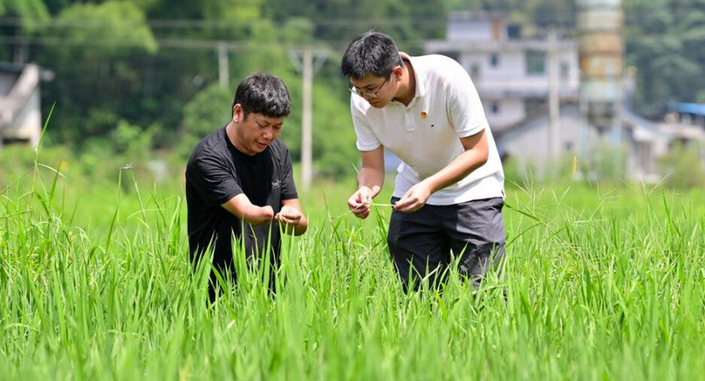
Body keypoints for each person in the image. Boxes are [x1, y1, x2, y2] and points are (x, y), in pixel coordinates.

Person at [340, 31, 506, 292]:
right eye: (357, 89)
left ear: (396, 73)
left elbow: (478, 152)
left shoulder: (447, 77)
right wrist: (365, 190)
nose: (365, 97)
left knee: (483, 294)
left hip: (474, 192)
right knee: (417, 296)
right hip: (414, 195)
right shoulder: (361, 102)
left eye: (371, 89)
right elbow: (372, 167)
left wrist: (429, 187)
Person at [185, 72, 308, 302]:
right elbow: (247, 212)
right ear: (238, 112)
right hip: (215, 292)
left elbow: (300, 223)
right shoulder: (209, 157)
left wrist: (294, 219)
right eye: (262, 125)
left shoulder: (279, 153)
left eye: (277, 127)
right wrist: (272, 213)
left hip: (267, 291)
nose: (269, 135)